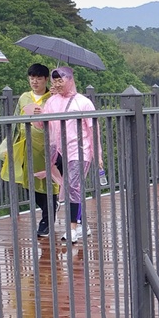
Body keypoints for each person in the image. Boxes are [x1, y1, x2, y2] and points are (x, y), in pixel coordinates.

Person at [42, 66, 100, 244]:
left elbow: (92, 128)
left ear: (69, 79)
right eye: (54, 81)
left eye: (61, 80)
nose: (58, 84)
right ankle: (82, 224)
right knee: (71, 187)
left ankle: (72, 228)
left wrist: (98, 154)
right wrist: (37, 113)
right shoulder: (52, 102)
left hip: (80, 150)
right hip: (59, 151)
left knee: (72, 186)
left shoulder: (83, 102)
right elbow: (42, 124)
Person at [0, 63, 58, 238]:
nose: (35, 81)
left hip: (46, 146)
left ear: (46, 80)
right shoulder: (25, 97)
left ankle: (47, 220)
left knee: (48, 182)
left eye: (39, 78)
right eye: (32, 78)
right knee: (27, 182)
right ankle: (48, 208)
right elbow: (17, 118)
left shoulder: (53, 97)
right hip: (26, 144)